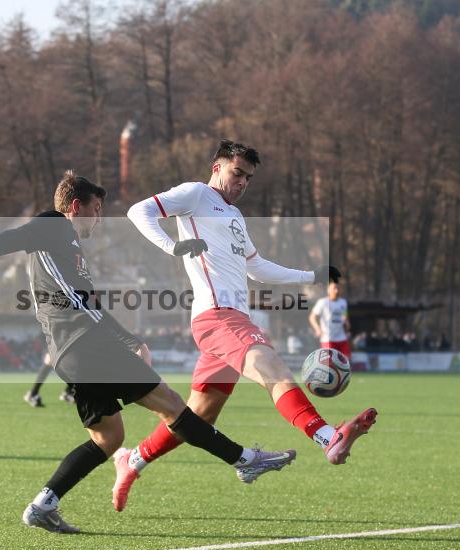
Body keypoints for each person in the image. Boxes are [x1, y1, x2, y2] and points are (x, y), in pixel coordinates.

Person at [0, 170, 295, 534]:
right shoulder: (54, 225)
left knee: (108, 439)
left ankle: (42, 504)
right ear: (76, 207)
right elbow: (15, 237)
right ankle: (244, 459)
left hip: (73, 351)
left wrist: (129, 339)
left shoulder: (70, 251)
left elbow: (90, 302)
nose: (99, 219)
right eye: (96, 210)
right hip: (86, 342)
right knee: (172, 405)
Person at [118, 139, 377, 511]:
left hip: (232, 318)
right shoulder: (194, 194)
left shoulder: (235, 217)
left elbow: (256, 267)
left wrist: (312, 274)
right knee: (272, 367)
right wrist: (171, 246)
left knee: (196, 416)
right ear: (217, 167)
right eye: (236, 173)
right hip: (217, 317)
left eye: (248, 178)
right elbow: (137, 211)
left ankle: (134, 460)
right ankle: (327, 436)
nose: (241, 182)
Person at [310, 280, 352, 360]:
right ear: (328, 290)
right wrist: (318, 329)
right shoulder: (322, 302)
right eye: (334, 288)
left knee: (346, 361)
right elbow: (312, 317)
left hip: (341, 337)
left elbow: (344, 316)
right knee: (330, 363)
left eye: (338, 288)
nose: (336, 291)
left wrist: (347, 324)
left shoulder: (343, 302)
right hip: (327, 338)